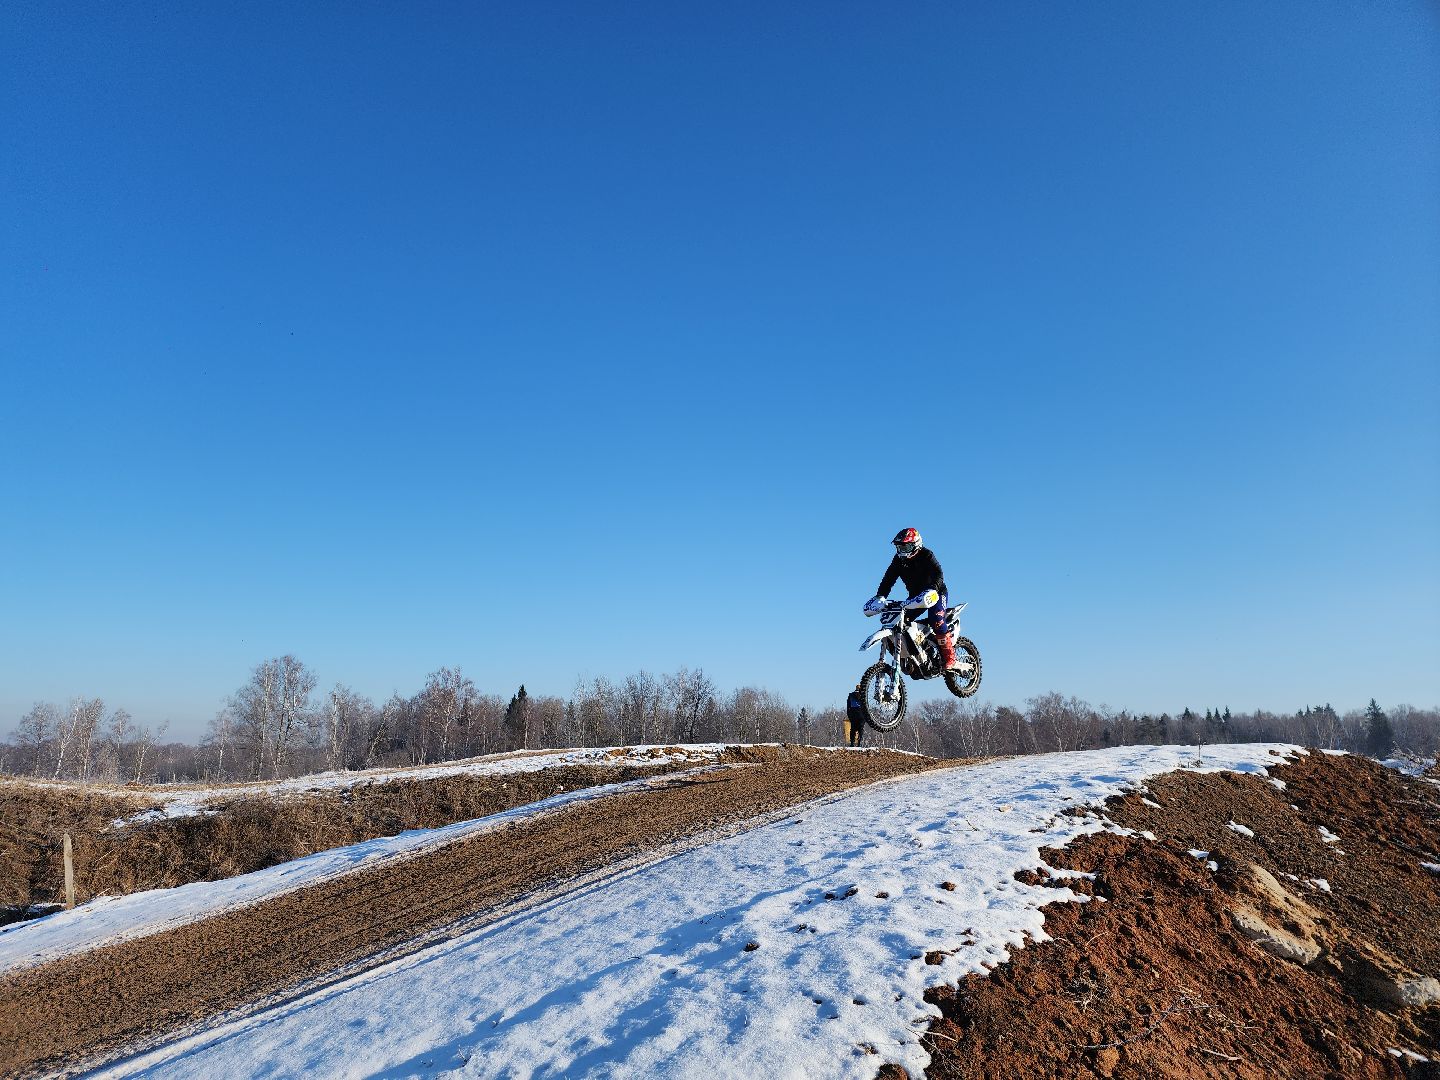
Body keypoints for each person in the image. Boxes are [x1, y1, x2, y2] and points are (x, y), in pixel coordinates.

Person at [874, 527, 957, 669]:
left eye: (905, 546)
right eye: (899, 547)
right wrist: (880, 596)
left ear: (915, 545)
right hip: (915, 596)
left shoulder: (926, 555)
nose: (901, 550)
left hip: (936, 593)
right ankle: (917, 651)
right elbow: (888, 579)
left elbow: (938, 574)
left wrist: (933, 588)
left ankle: (950, 657)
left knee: (936, 620)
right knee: (898, 622)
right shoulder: (898, 560)